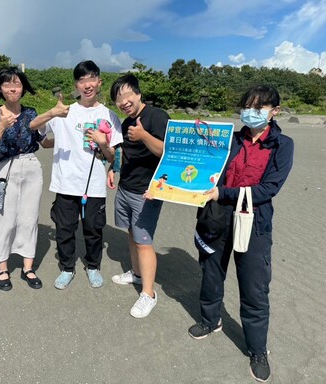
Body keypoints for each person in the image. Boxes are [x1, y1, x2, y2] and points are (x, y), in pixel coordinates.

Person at [187, 85, 294, 383]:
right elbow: (203, 165)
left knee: (254, 286)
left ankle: (257, 349)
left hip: (254, 222)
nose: (251, 112)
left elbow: (268, 188)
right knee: (210, 272)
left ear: (275, 111)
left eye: (259, 107)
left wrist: (223, 191)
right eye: (247, 106)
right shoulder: (230, 139)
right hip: (216, 216)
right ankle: (210, 320)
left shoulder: (283, 145)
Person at [30, 60, 122, 290]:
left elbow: (113, 158)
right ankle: (67, 268)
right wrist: (52, 112)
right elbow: (34, 129)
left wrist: (103, 143)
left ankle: (93, 266)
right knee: (64, 230)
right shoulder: (64, 112)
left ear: (99, 82)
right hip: (65, 183)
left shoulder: (110, 116)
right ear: (76, 84)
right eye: (82, 80)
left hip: (95, 184)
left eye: (91, 78)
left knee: (93, 229)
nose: (87, 84)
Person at [0, 67, 62, 291]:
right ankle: (2, 268)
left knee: (29, 217)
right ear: (0, 89)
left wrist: (70, 141)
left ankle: (28, 267)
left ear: (23, 87)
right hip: (5, 169)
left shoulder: (31, 114)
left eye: (17, 83)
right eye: (7, 84)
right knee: (2, 218)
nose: (13, 88)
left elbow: (43, 142)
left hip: (31, 166)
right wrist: (1, 127)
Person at [107, 74, 169, 318]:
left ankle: (149, 294)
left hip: (147, 192)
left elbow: (167, 152)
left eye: (126, 95)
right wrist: (113, 170)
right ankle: (136, 273)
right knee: (132, 235)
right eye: (117, 99)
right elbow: (123, 152)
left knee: (144, 242)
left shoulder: (157, 116)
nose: (123, 102)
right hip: (126, 187)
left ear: (138, 94)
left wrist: (144, 136)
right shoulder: (125, 123)